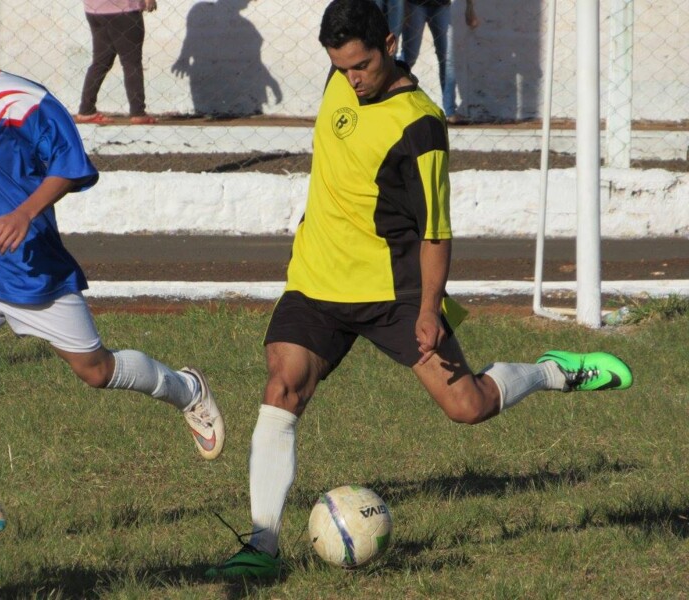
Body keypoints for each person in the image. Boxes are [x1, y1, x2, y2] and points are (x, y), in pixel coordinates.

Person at [205, 0, 632, 580]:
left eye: (360, 65)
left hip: (394, 290)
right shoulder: (342, 74)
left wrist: (428, 310)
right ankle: (262, 544)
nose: (351, 79)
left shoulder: (420, 126)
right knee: (283, 387)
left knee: (468, 405)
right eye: (340, 66)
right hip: (317, 277)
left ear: (388, 42)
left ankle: (553, 370)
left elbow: (435, 232)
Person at [0, 0, 224, 535]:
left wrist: (25, 212)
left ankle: (186, 389)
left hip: (32, 271)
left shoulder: (22, 100)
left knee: (96, 371)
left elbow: (69, 165)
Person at [76, 0, 158, 124]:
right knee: (131, 62)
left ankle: (86, 110)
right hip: (123, 10)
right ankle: (138, 113)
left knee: (101, 61)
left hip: (94, 9)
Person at [401, 0, 479, 124]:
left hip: (442, 6)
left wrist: (470, 8)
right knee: (410, 56)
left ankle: (450, 111)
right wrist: (403, 6)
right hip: (414, 4)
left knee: (448, 59)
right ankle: (395, 99)